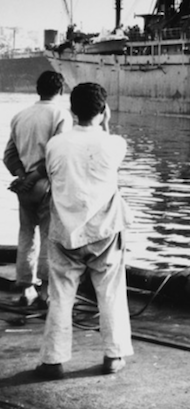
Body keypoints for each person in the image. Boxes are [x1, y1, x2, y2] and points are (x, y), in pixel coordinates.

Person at [36, 83, 132, 380]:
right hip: (104, 233)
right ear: (104, 111)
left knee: (61, 295)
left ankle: (53, 360)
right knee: (111, 293)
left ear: (71, 111)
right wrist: (106, 123)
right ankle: (113, 356)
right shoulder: (116, 144)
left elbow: (52, 176)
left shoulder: (55, 144)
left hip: (64, 232)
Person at [3, 71, 71, 308]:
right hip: (48, 185)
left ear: (36, 88)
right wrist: (34, 177)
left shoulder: (20, 116)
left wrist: (23, 177)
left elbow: (9, 156)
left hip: (24, 188)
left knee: (25, 234)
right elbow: (58, 153)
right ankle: (45, 292)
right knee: (49, 237)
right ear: (61, 91)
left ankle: (25, 288)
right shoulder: (61, 115)